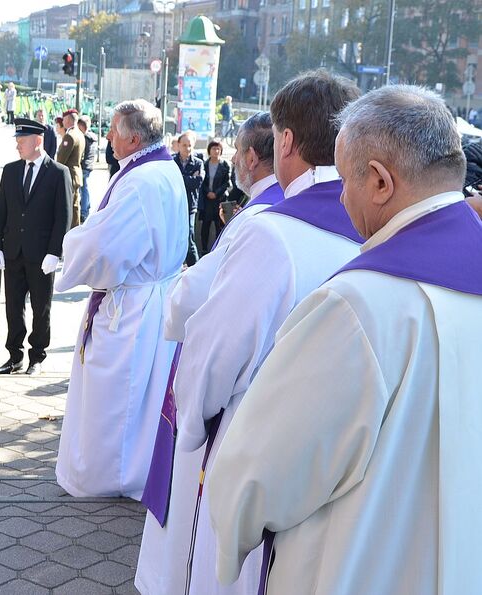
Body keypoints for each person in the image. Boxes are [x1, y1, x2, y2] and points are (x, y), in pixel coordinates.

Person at [210, 84, 479, 594]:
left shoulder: (359, 305)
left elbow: (260, 473)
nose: (340, 197)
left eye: (345, 181)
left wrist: (228, 538)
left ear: (379, 181)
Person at [134, 69, 362, 595]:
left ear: (285, 140)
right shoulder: (373, 229)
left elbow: (212, 357)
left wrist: (190, 430)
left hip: (255, 448)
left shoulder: (271, 232)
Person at [136, 111, 284, 594]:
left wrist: (191, 416)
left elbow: (195, 304)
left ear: (252, 157)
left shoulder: (262, 221)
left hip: (239, 409)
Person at [55, 99, 188, 499]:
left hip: (133, 308)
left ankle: (114, 476)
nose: (108, 137)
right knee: (144, 397)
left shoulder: (141, 181)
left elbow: (107, 246)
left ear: (132, 139)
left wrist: (69, 246)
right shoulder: (164, 169)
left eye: (114, 131)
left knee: (121, 398)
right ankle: (139, 468)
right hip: (153, 297)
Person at [0, 118, 72, 375]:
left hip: (41, 255)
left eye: (21, 141)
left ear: (37, 141)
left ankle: (37, 357)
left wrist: (55, 252)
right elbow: (0, 210)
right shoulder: (11, 170)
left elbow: (63, 216)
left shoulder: (58, 173)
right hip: (13, 251)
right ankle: (14, 356)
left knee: (41, 308)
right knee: (13, 307)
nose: (17, 147)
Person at [174, 130, 203, 265]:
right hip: (173, 205)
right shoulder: (171, 161)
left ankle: (194, 267)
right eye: (184, 145)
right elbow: (170, 182)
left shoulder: (198, 163)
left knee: (189, 236)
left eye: (190, 145)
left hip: (190, 205)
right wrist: (189, 178)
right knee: (173, 236)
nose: (187, 148)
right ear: (178, 145)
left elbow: (197, 182)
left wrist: (180, 178)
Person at [198, 139, 231, 252]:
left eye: (218, 149)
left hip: (220, 200)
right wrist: (208, 192)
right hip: (207, 201)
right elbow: (202, 181)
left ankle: (218, 251)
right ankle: (204, 250)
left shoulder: (225, 165)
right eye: (213, 148)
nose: (216, 151)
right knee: (205, 226)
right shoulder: (205, 164)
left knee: (219, 227)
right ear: (209, 150)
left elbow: (227, 182)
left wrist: (216, 193)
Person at [56, 110, 85, 227]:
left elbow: (61, 159)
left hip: (70, 175)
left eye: (64, 119)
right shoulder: (80, 134)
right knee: (75, 205)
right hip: (77, 173)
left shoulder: (70, 136)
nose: (62, 122)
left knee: (71, 206)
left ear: (67, 120)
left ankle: (72, 231)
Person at [77, 115, 98, 223]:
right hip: (89, 166)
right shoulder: (93, 137)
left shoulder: (84, 138)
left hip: (84, 166)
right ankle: (86, 208)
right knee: (85, 188)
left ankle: (84, 212)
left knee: (83, 189)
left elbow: (82, 154)